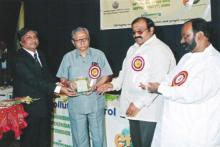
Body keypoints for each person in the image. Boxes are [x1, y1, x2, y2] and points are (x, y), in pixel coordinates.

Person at [97, 17, 176, 147]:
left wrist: (138, 104)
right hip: (133, 108)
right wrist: (112, 85)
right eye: (133, 32)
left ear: (151, 30)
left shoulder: (160, 49)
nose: (136, 35)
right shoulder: (132, 49)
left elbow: (158, 82)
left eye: (140, 31)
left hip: (149, 111)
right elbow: (124, 74)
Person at [144, 18, 220, 146]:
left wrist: (161, 89)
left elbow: (194, 94)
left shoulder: (214, 62)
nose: (181, 40)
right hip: (174, 131)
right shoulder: (187, 58)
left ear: (200, 35)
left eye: (186, 36)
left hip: (196, 134)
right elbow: (170, 80)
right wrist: (156, 85)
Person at [13, 28, 75, 147]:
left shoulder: (40, 54)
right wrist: (57, 89)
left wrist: (58, 84)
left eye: (35, 37)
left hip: (45, 105)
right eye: (28, 37)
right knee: (30, 140)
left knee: (45, 140)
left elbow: (46, 76)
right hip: (29, 108)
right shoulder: (18, 57)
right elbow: (33, 81)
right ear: (21, 42)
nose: (33, 40)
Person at [56, 27, 113, 147]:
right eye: (78, 40)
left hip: (95, 101)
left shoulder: (99, 54)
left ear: (89, 39)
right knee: (79, 139)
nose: (82, 42)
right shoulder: (68, 57)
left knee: (99, 138)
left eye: (85, 39)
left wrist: (96, 86)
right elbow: (62, 78)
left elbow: (106, 75)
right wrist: (68, 83)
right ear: (73, 42)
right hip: (76, 102)